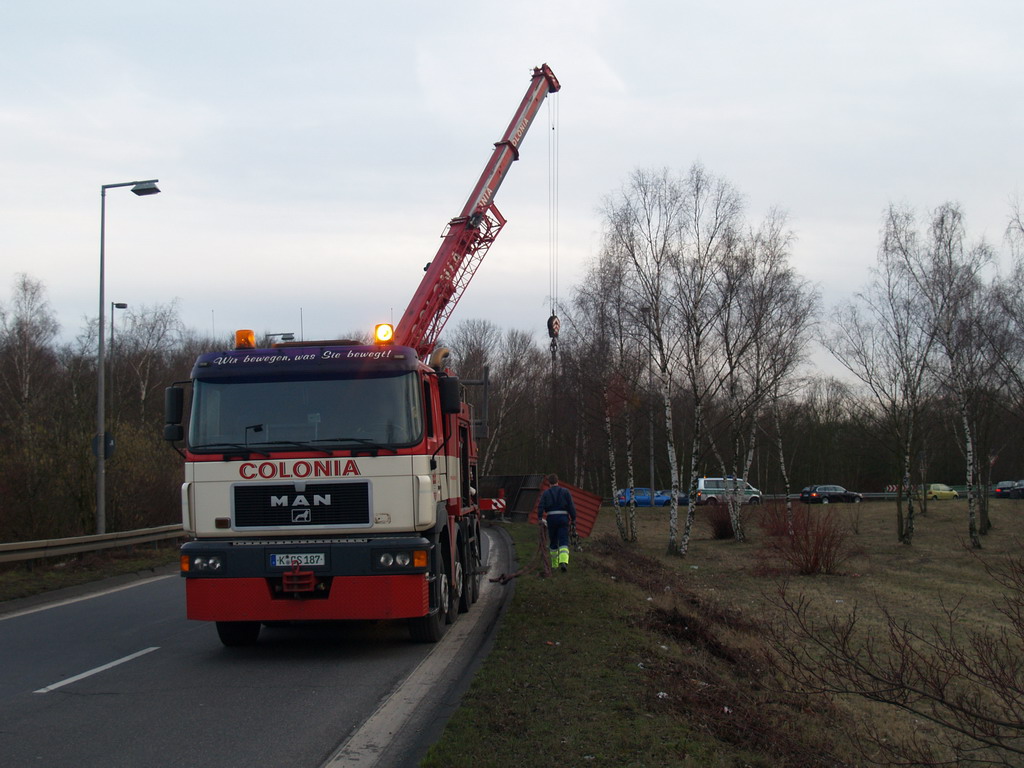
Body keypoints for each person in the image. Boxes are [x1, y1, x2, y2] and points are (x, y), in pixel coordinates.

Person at [537, 473, 577, 572]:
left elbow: (541, 506)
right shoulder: (565, 492)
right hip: (563, 518)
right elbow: (571, 506)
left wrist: (539, 518)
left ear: (549, 483)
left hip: (551, 519)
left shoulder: (546, 493)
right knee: (563, 541)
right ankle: (563, 562)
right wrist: (573, 519)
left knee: (553, 542)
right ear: (557, 481)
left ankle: (554, 565)